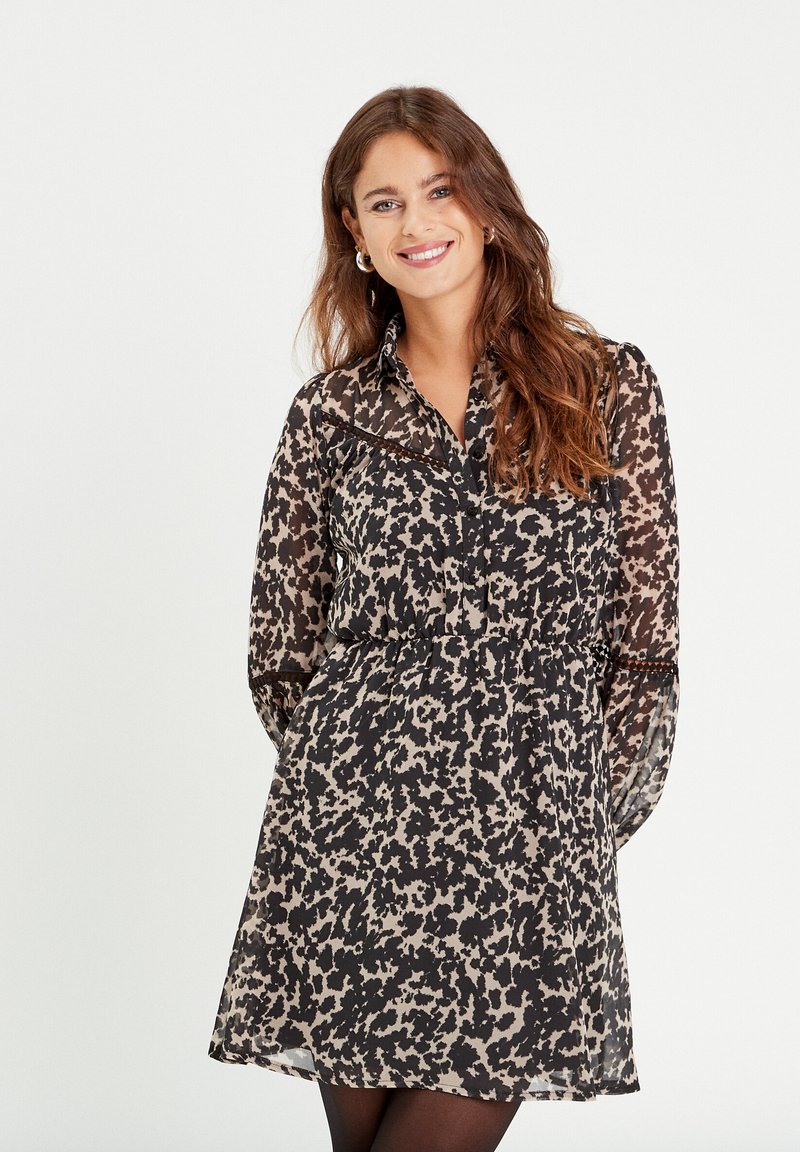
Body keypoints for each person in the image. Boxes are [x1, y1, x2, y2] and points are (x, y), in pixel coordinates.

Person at [207, 85, 680, 1152]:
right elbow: (282, 649)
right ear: (354, 231)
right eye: (384, 203)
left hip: (530, 836)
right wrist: (356, 770)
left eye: (438, 189)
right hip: (355, 841)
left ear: (485, 203)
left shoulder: (607, 388)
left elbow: (644, 648)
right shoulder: (330, 418)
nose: (415, 222)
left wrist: (576, 815)